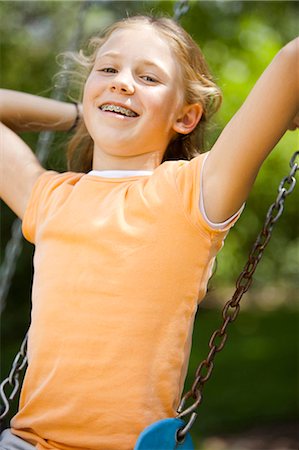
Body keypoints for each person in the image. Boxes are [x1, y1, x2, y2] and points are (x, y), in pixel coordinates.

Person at [0, 14, 298, 450]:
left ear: (186, 116)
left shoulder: (192, 194)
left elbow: (293, 60)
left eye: (148, 76)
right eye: (107, 70)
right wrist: (80, 115)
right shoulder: (49, 198)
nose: (121, 83)